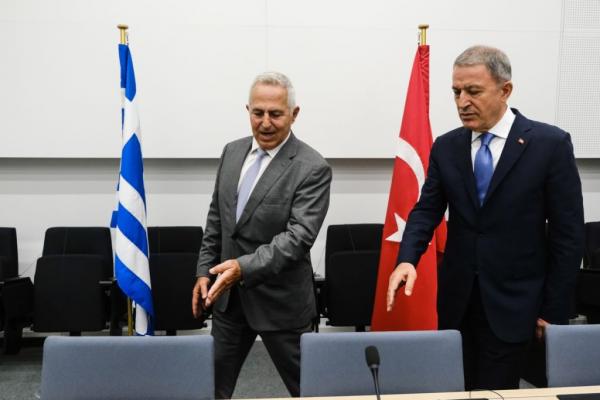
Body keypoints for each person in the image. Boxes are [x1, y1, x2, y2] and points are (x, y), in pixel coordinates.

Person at [386, 45, 584, 390]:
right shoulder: (447, 146)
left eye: (473, 91)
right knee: (457, 389)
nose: (462, 102)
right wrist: (407, 259)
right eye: (456, 92)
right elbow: (426, 210)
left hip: (517, 303)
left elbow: (568, 236)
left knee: (496, 391)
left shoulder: (549, 145)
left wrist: (554, 311)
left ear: (505, 90)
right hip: (458, 303)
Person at [192, 71, 331, 398]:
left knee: (309, 390)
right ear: (248, 110)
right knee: (210, 389)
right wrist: (203, 271)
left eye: (275, 114)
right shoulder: (231, 152)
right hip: (228, 302)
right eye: (258, 113)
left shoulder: (312, 167)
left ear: (294, 114)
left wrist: (242, 268)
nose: (265, 123)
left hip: (281, 303)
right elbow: (217, 219)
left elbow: (297, 238)